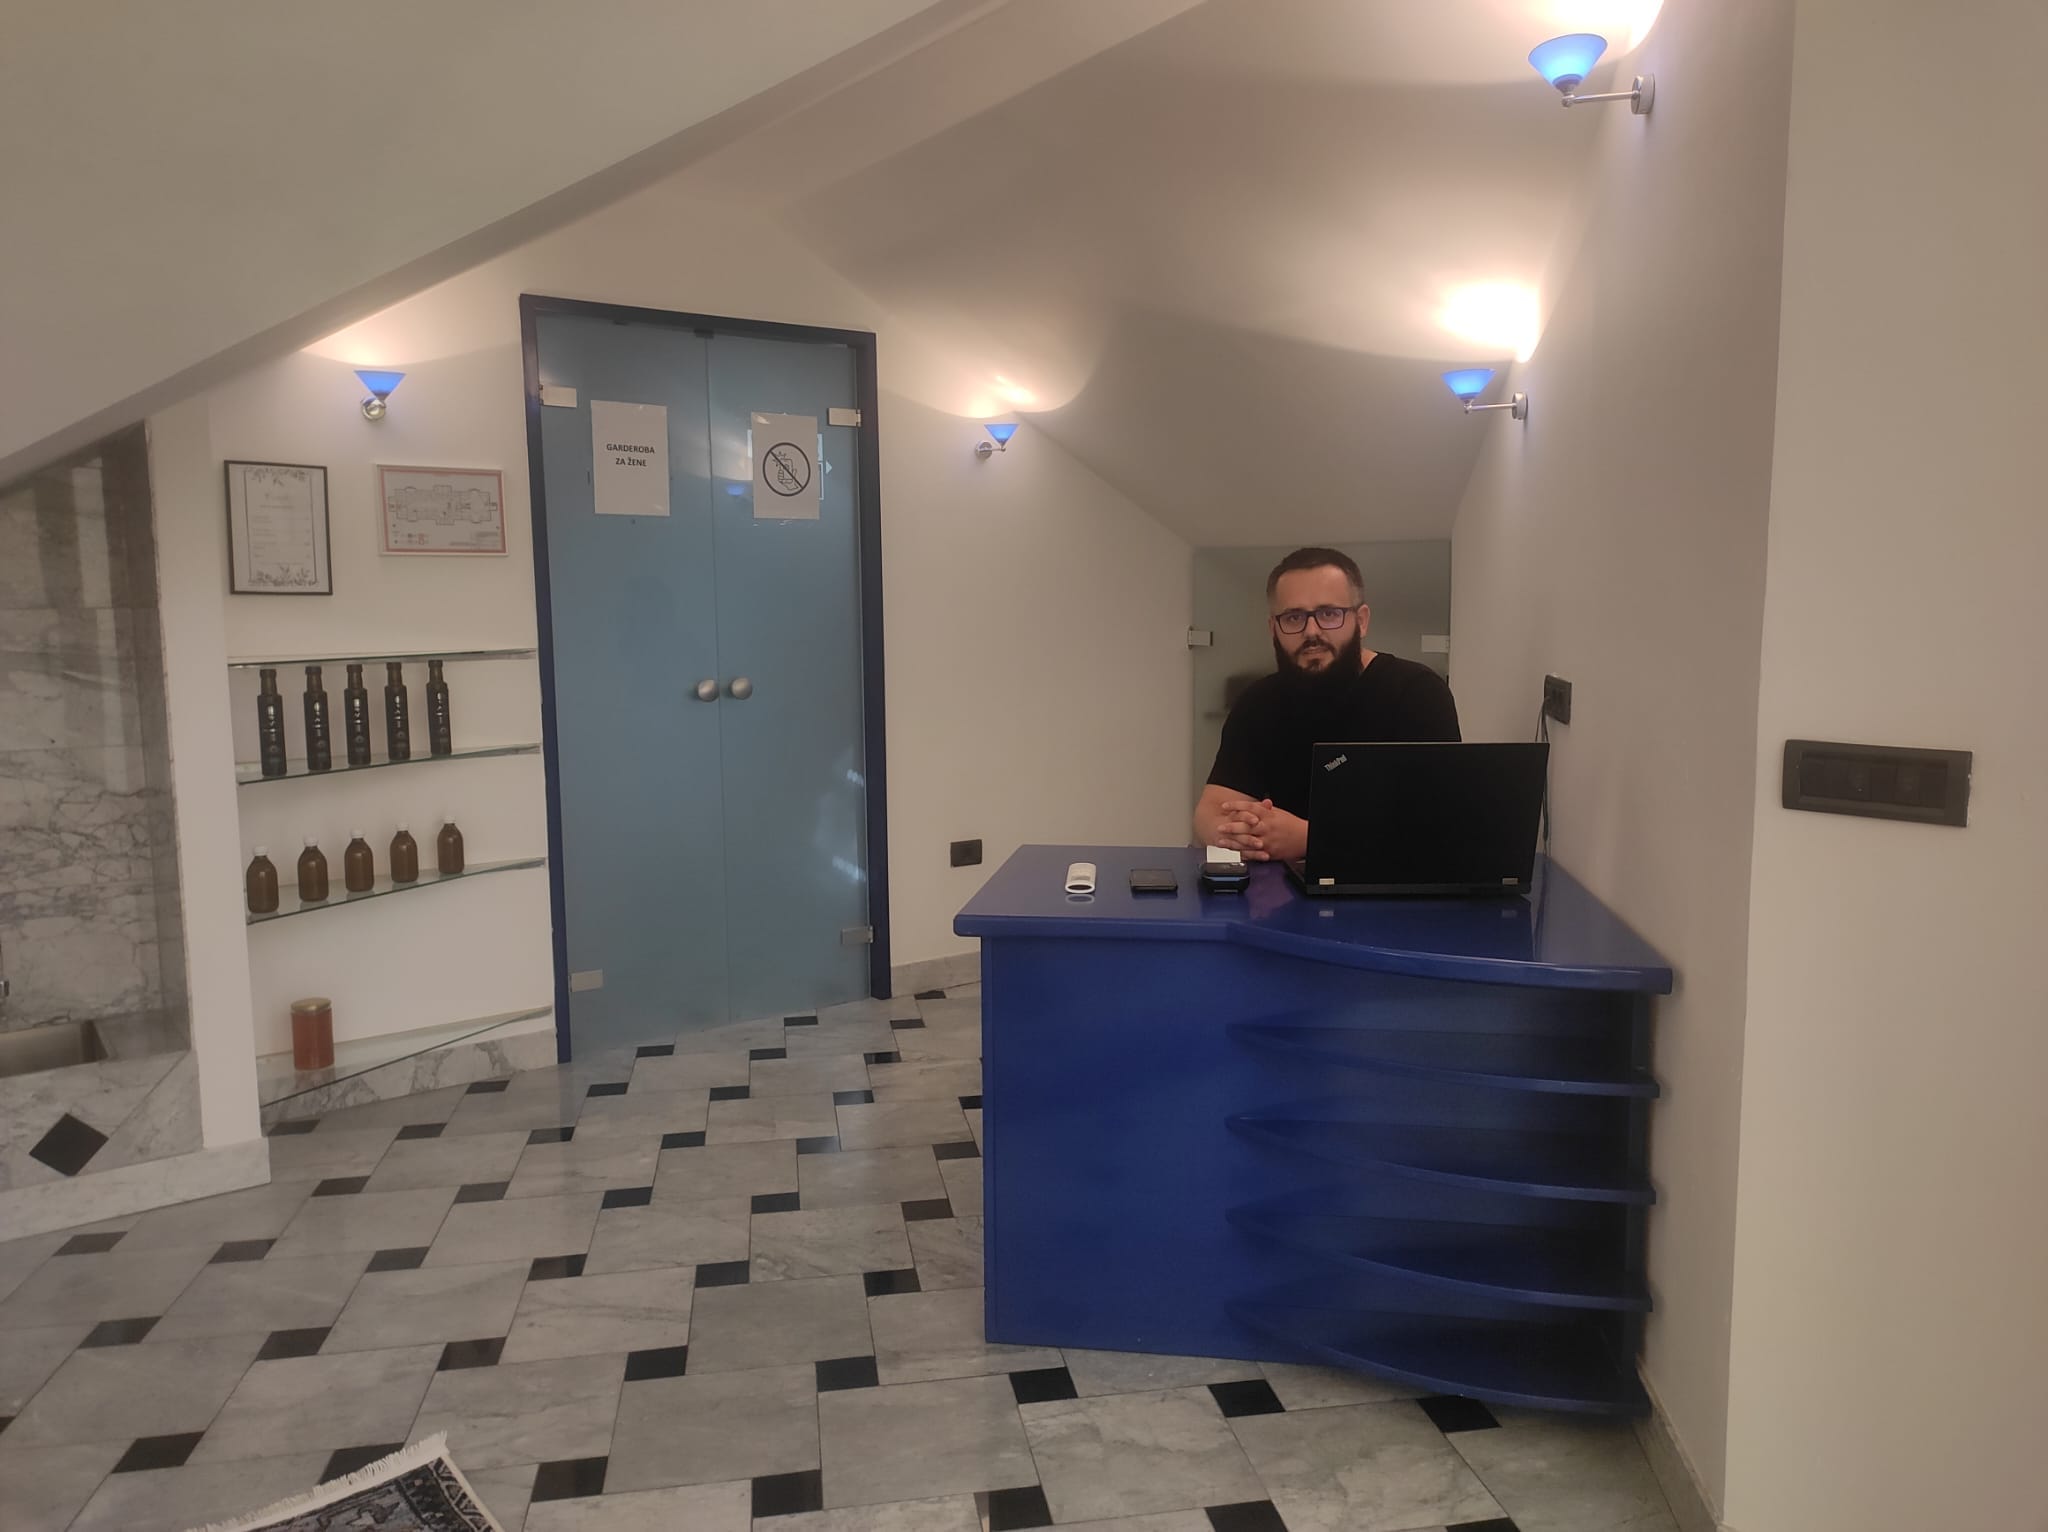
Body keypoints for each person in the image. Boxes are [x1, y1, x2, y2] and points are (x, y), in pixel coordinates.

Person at [1193, 546, 1460, 863]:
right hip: (1280, 889)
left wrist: (1309, 838)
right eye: (1294, 617)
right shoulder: (1257, 702)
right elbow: (1211, 809)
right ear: (1273, 629)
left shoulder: (1417, 692)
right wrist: (1238, 834)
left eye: (1329, 614)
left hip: (1392, 889)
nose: (1311, 631)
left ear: (1361, 621)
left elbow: (1442, 825)